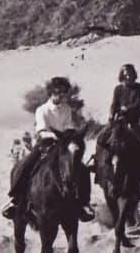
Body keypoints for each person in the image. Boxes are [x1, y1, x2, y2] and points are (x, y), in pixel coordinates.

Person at [5, 76, 95, 221]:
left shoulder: (66, 109)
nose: (60, 96)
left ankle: (84, 203)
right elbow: (42, 130)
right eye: (57, 93)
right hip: (45, 143)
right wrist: (56, 136)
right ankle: (16, 200)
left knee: (82, 169)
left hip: (63, 143)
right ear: (51, 93)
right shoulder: (42, 110)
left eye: (63, 93)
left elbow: (68, 126)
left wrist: (70, 135)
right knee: (26, 165)